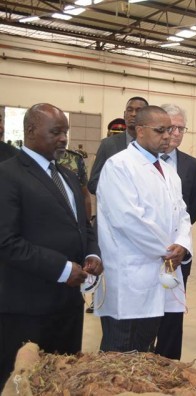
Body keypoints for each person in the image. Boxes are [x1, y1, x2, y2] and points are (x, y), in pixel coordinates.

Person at [0, 103, 102, 388]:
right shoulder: (8, 175)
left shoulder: (67, 176)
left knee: (63, 380)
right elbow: (6, 242)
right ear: (31, 131)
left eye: (65, 132)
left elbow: (84, 225)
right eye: (55, 132)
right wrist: (61, 268)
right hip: (27, 308)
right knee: (24, 384)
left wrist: (91, 253)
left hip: (67, 306)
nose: (63, 139)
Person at [94, 105, 192, 353]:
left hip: (159, 274)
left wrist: (183, 245)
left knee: (144, 349)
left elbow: (182, 213)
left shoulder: (170, 172)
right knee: (119, 352)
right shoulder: (119, 166)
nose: (168, 136)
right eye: (160, 131)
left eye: (170, 130)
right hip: (130, 277)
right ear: (139, 130)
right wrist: (169, 250)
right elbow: (128, 220)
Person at [154, 103, 196, 360]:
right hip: (147, 251)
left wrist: (178, 243)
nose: (175, 133)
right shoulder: (140, 162)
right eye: (170, 127)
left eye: (180, 129)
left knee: (172, 313)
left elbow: (192, 209)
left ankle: (169, 365)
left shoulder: (192, 166)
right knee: (145, 313)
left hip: (179, 251)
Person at [88, 97, 148, 194]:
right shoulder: (108, 144)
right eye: (130, 110)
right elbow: (93, 183)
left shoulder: (153, 145)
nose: (133, 114)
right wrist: (119, 193)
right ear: (124, 115)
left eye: (138, 110)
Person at [58, 148, 92, 219]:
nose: (62, 139)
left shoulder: (75, 158)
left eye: (64, 136)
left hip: (72, 221)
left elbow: (85, 195)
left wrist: (88, 224)